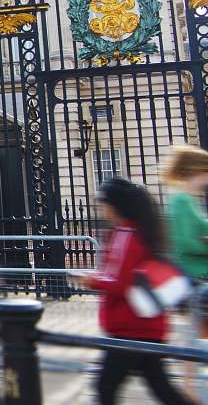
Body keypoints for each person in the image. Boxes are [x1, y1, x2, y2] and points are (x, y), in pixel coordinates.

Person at [72, 177, 195, 405]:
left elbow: (120, 282)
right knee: (162, 390)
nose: (99, 208)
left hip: (130, 326)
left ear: (114, 204)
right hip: (142, 324)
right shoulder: (130, 231)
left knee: (105, 387)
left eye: (102, 203)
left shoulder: (127, 235)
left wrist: (91, 281)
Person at [163, 144, 208, 398]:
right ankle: (189, 390)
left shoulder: (189, 200)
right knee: (193, 336)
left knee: (194, 337)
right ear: (196, 171)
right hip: (194, 279)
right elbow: (185, 243)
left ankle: (190, 389)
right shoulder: (181, 200)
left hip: (199, 279)